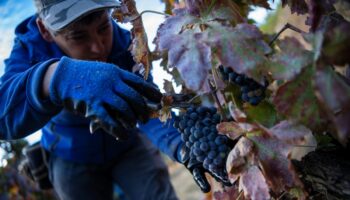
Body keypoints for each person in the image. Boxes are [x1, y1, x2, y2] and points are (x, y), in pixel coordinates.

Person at [0, 0, 228, 199]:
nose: (98, 47)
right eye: (78, 36)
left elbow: (149, 109)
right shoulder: (30, 50)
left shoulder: (126, 43)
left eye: (103, 27)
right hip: (71, 156)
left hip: (128, 146)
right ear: (45, 30)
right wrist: (55, 78)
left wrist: (180, 146)